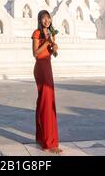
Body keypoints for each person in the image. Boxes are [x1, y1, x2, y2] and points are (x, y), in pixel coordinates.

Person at [31, 10, 63, 154]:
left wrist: (54, 47)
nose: (46, 21)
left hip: (48, 66)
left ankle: (41, 137)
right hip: (40, 67)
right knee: (46, 101)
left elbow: (53, 53)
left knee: (47, 102)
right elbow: (36, 53)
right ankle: (50, 142)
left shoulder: (51, 33)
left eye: (48, 18)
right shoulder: (37, 33)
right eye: (44, 19)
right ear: (40, 20)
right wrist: (47, 42)